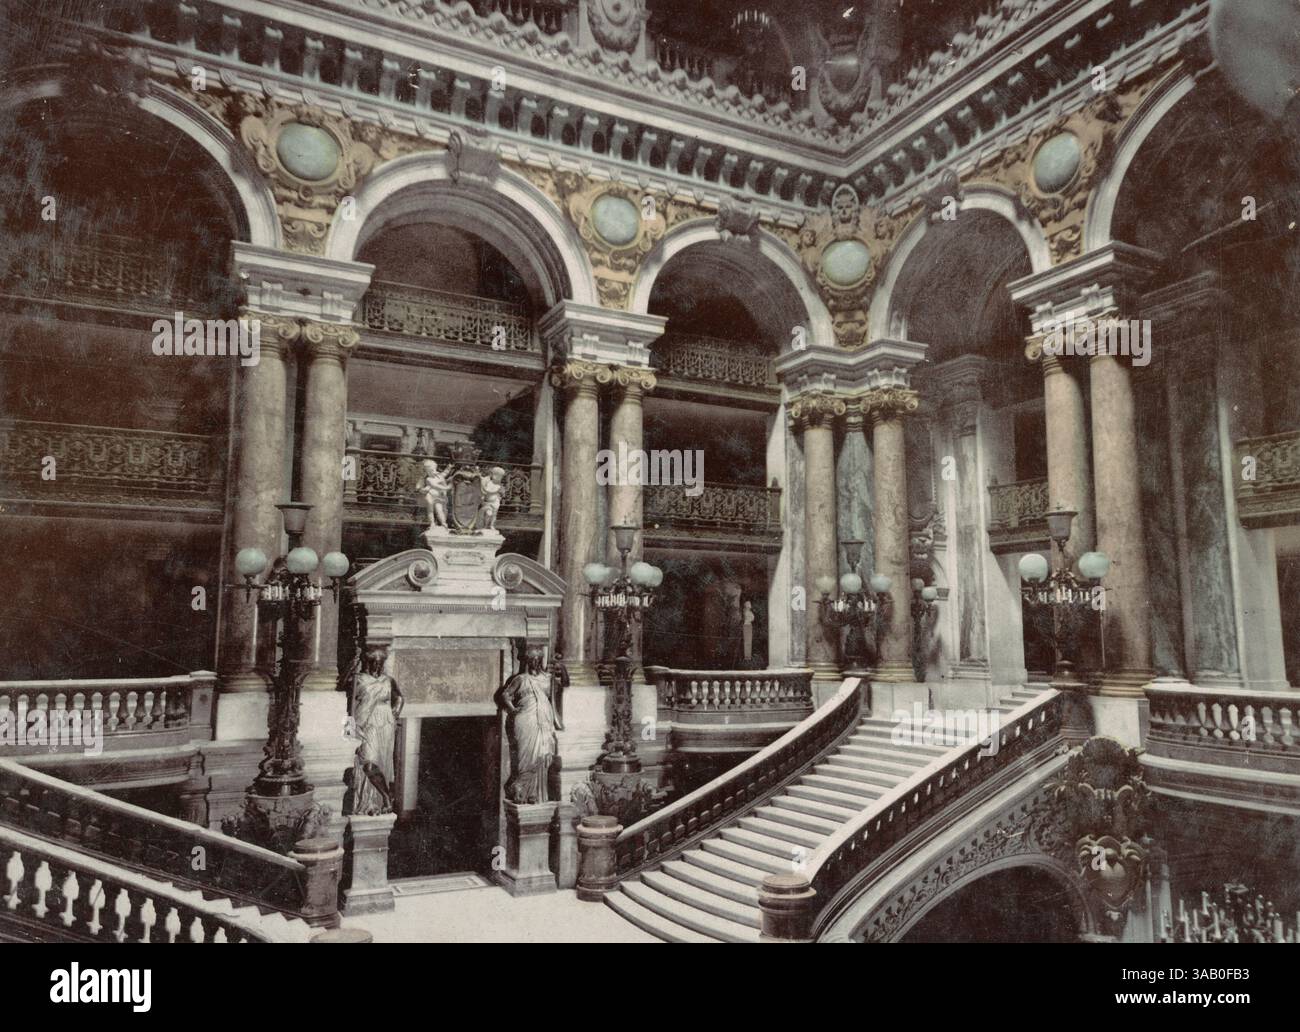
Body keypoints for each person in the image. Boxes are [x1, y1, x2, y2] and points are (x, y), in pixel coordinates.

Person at [496, 644, 562, 804]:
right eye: (531, 659)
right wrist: (513, 710)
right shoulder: (521, 679)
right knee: (525, 758)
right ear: (527, 661)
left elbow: (557, 695)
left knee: (544, 754)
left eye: (537, 659)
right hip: (525, 721)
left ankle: (535, 794)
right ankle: (521, 790)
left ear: (540, 660)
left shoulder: (547, 679)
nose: (535, 662)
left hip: (544, 721)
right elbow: (505, 695)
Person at [348, 645, 403, 816]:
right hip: (365, 723)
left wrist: (394, 714)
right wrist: (348, 734)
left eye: (380, 664)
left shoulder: (388, 681)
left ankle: (377, 802)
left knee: (382, 761)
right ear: (367, 663)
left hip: (384, 724)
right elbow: (349, 706)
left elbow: (399, 698)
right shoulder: (358, 679)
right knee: (368, 761)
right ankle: (386, 796)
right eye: (373, 663)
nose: (376, 667)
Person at [419, 459, 449, 529]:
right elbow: (435, 485)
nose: (434, 471)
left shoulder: (439, 476)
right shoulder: (428, 479)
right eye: (431, 470)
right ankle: (432, 523)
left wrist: (448, 468)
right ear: (427, 471)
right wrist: (447, 488)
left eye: (435, 469)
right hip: (430, 496)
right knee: (430, 510)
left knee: (439, 510)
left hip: (438, 497)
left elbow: (444, 474)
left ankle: (443, 523)